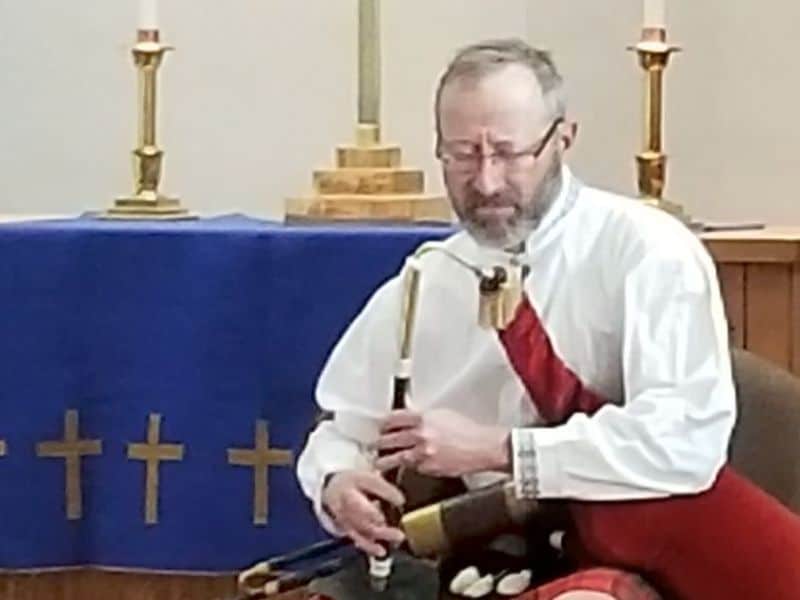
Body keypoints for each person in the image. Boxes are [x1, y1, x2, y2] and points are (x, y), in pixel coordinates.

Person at [297, 39, 800, 600]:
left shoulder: (647, 252)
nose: (486, 182)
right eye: (462, 155)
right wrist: (337, 482)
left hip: (644, 554)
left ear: (563, 139)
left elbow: (683, 441)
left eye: (509, 153)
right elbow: (341, 429)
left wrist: (502, 449)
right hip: (490, 560)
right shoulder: (428, 281)